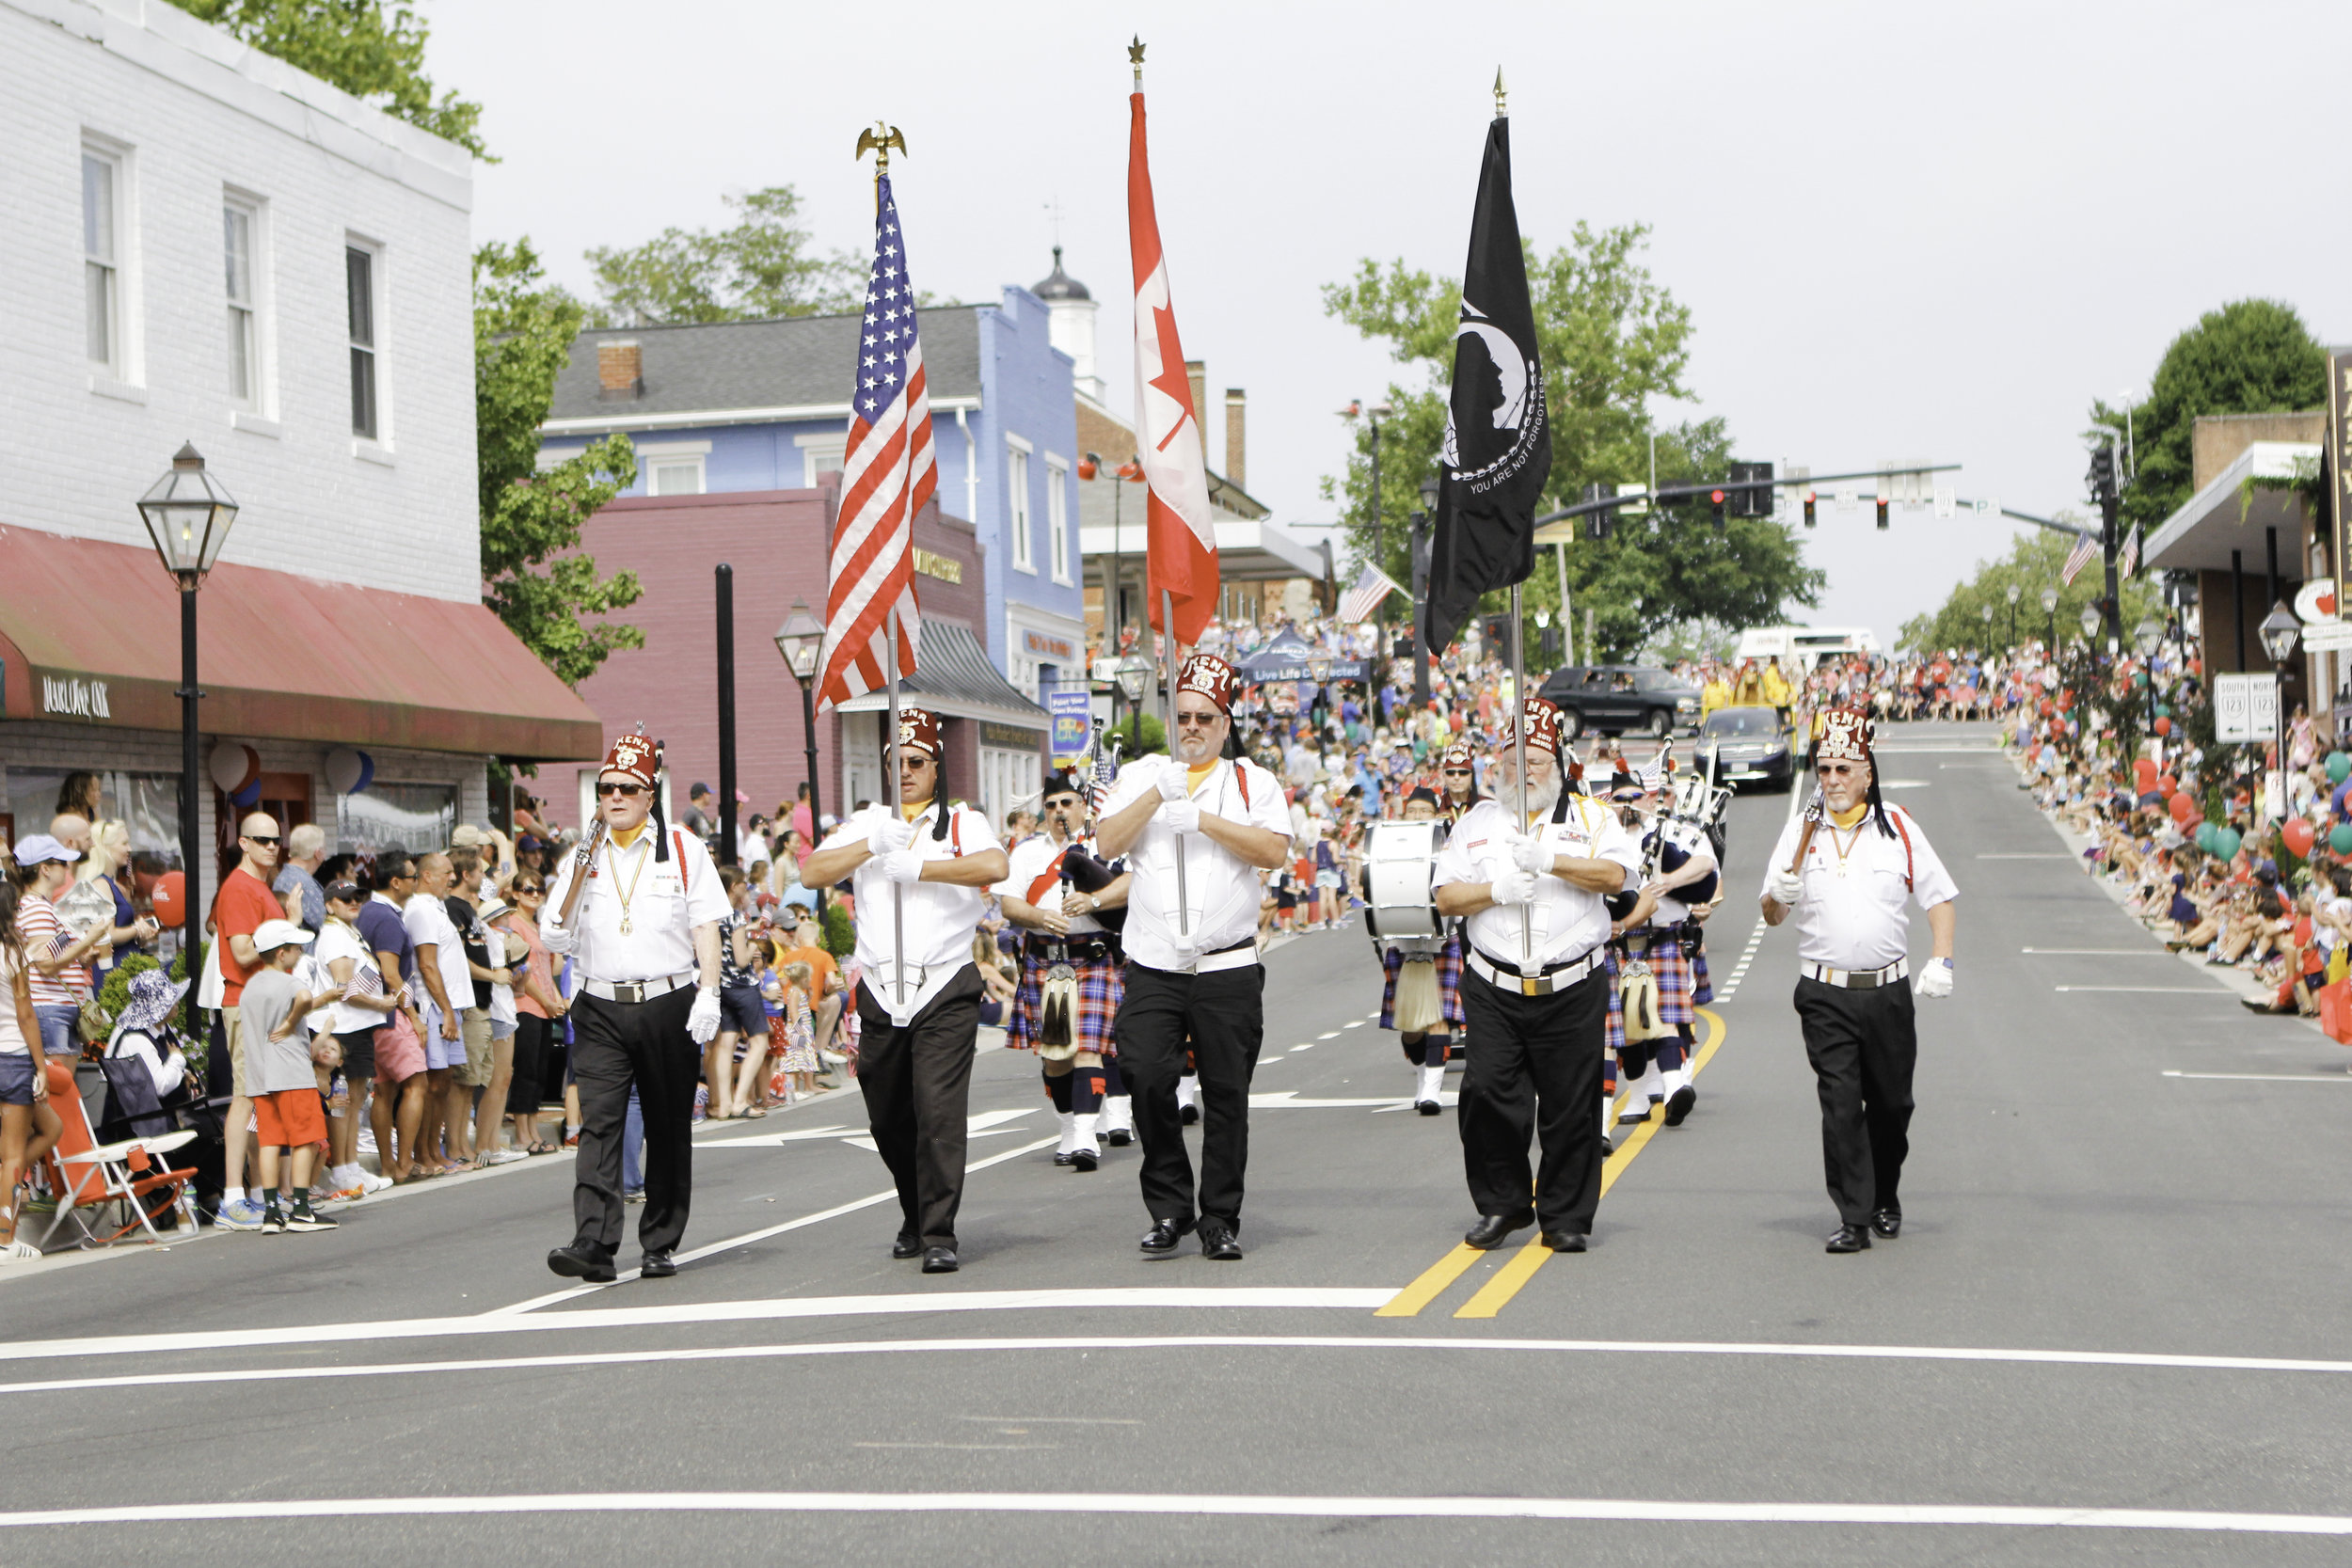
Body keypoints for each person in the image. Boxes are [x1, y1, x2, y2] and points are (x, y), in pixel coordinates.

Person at [1096, 654, 1293, 1262]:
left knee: (1227, 1094)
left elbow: (1275, 850)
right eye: (1181, 715)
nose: (1191, 727)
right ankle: (1169, 1204)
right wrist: (1159, 793)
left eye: (1204, 717)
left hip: (1225, 964)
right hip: (1155, 961)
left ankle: (1218, 1216)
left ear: (1225, 721)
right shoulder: (1143, 773)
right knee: (1148, 1075)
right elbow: (1106, 842)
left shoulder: (1249, 782)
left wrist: (1203, 819)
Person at [803, 705, 1008, 1275]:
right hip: (881, 988)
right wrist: (871, 845)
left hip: (943, 982)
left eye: (919, 761)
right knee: (889, 1117)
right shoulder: (869, 821)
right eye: (899, 762)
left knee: (938, 1112)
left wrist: (921, 866)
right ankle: (914, 1211)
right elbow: (813, 872)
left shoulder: (962, 823)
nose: (909, 771)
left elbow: (997, 864)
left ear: (936, 766)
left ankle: (939, 1231)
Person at [1433, 698, 1641, 1256]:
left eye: (1537, 759)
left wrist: (1550, 860)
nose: (1522, 770)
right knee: (1486, 1096)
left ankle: (1565, 1215)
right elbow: (1446, 894)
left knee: (1572, 1105)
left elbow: (1618, 877)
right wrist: (1494, 891)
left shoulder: (1594, 818)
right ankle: (1502, 1204)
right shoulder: (1476, 824)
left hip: (1572, 983)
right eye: (1512, 757)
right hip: (1493, 985)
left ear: (1561, 764)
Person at [1761, 707, 1958, 1253]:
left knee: (1892, 1106)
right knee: (1841, 1104)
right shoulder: (1801, 832)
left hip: (1888, 992)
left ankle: (1885, 1194)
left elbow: (1938, 897)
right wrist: (1780, 892)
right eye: (1824, 770)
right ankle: (1853, 1215)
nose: (1832, 781)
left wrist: (1941, 958)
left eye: (1844, 769)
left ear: (1867, 771)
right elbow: (1771, 915)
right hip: (1824, 992)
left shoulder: (1899, 827)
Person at [539, 733, 728, 1283]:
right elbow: (557, 931)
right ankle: (593, 1241)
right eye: (606, 789)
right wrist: (571, 887)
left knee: (668, 1125)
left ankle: (660, 1239)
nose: (615, 797)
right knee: (600, 1124)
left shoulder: (683, 848)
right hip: (599, 1002)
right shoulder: (585, 851)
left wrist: (709, 992)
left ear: (651, 794)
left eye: (627, 788)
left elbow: (705, 925)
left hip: (667, 999)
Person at [996, 768, 1133, 1170]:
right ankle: (1070, 1130)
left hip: (1092, 957)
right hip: (1046, 959)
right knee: (1056, 1057)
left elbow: (1130, 884)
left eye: (1068, 803)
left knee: (1089, 1049)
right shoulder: (1026, 853)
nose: (1060, 812)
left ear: (1083, 806)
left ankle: (1088, 1138)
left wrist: (1093, 902)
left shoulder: (1104, 848)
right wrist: (1039, 915)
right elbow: (1008, 905)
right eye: (1052, 805)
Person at [1605, 768, 1718, 1132]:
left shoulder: (1671, 832)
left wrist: (1669, 880)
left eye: (1634, 797)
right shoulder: (1604, 838)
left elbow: (1704, 865)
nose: (1628, 806)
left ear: (1649, 798)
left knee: (1666, 1019)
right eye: (1620, 799)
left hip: (1663, 936)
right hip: (1619, 941)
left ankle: (1673, 1091)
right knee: (1628, 1029)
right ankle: (1639, 1096)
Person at [1376, 787, 1466, 1116]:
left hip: (1442, 938)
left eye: (1423, 811)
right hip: (1402, 939)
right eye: (1411, 810)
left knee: (1439, 1016)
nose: (1416, 816)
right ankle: (1421, 1079)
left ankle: (1432, 1090)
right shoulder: (1389, 844)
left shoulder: (1451, 847)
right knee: (1412, 1026)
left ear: (1436, 815)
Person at [313, 881, 401, 1198]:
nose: (354, 903)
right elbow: (346, 988)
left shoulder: (349, 931)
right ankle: (342, 1168)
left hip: (356, 1026)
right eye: (345, 898)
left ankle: (350, 1164)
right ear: (329, 904)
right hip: (343, 1026)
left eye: (358, 898)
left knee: (356, 1097)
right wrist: (382, 1003)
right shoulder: (336, 935)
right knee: (343, 1100)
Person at [0, 879, 63, 1261]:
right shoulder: (12, 954)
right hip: (13, 1058)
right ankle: (5, 1239)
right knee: (12, 1156)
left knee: (51, 1127)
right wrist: (41, 1066)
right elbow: (25, 1014)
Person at [11, 834, 113, 1063]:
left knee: (63, 1088)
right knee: (58, 1088)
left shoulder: (41, 906)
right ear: (45, 869)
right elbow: (46, 965)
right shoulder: (37, 908)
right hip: (51, 1008)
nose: (67, 868)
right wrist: (90, 940)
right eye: (62, 863)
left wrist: (83, 958)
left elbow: (49, 956)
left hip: (57, 1008)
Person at [402, 852, 472, 1174]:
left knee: (443, 1082)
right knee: (432, 1082)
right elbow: (427, 965)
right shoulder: (420, 910)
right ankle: (424, 1152)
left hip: (450, 1005)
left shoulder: (437, 908)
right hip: (435, 1007)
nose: (452, 878)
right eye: (446, 873)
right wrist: (445, 1010)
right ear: (426, 876)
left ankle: (435, 1149)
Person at [501, 872, 564, 1154]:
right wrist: (547, 1000)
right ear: (515, 893)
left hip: (544, 1007)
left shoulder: (538, 926)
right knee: (526, 1071)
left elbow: (552, 969)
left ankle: (532, 1131)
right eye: (528, 889)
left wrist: (556, 999)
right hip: (525, 1005)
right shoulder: (513, 925)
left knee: (539, 1072)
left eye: (539, 890)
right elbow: (522, 974)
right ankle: (521, 1134)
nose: (535, 894)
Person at [707, 866, 770, 1121]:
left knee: (726, 1043)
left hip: (721, 985)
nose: (746, 887)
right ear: (734, 887)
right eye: (743, 883)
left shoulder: (712, 915)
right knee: (759, 1042)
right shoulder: (736, 917)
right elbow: (742, 960)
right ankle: (741, 1099)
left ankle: (722, 1104)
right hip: (742, 985)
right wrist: (754, 941)